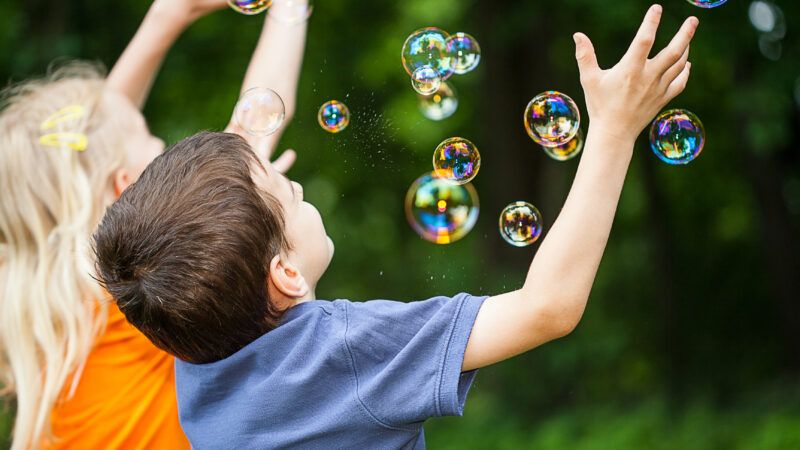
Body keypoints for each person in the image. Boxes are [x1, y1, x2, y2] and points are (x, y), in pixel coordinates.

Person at [93, 4, 697, 449]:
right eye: (287, 191)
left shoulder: (184, 333)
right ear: (284, 272)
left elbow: (245, 138)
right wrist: (615, 129)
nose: (297, 183)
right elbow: (549, 307)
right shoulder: (346, 354)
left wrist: (290, 12)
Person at [0, 0, 307, 447]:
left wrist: (170, 15)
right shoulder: (138, 278)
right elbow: (252, 127)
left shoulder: (29, 300)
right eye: (155, 146)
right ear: (125, 187)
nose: (167, 156)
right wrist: (289, 10)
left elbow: (93, 141)